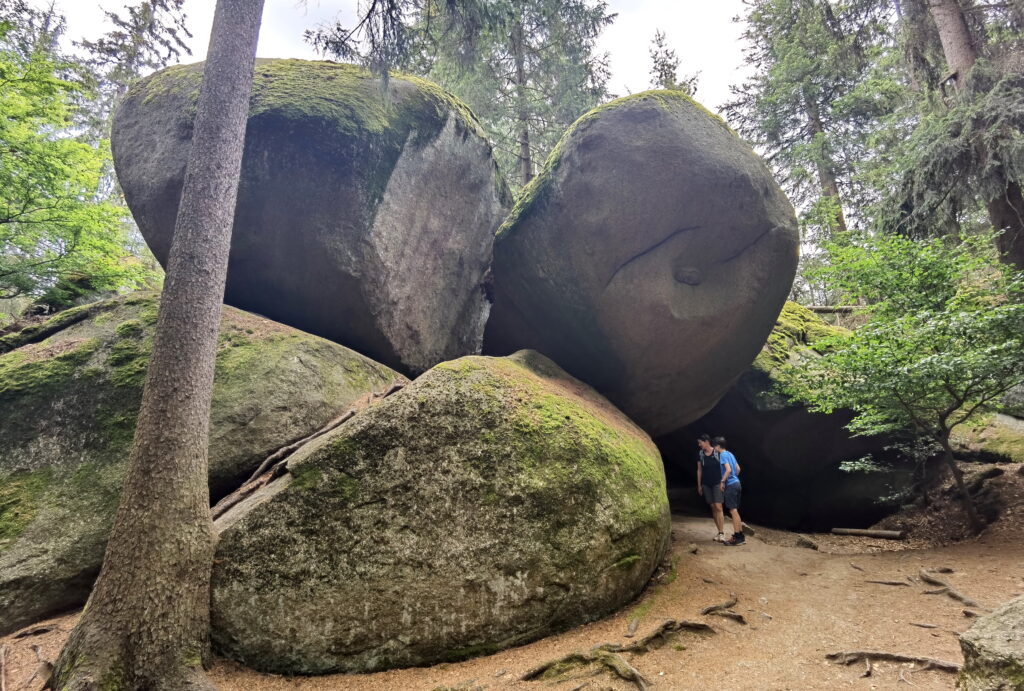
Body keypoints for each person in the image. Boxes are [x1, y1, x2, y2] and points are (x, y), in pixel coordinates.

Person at [696, 433, 726, 542]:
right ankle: (719, 532)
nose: (699, 445)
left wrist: (723, 481)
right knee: (713, 507)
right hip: (706, 484)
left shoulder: (717, 452)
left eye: (700, 442)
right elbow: (699, 470)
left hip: (717, 483)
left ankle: (722, 533)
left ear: (707, 442)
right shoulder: (700, 454)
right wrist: (699, 485)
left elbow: (724, 466)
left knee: (718, 506)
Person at [714, 436, 744, 546]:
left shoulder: (722, 455)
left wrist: (723, 481)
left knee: (733, 511)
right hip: (737, 483)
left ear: (717, 446)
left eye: (714, 446)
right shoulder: (731, 454)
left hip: (731, 485)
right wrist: (734, 477)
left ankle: (736, 537)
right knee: (735, 510)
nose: (714, 448)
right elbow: (738, 469)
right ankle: (740, 536)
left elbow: (728, 470)